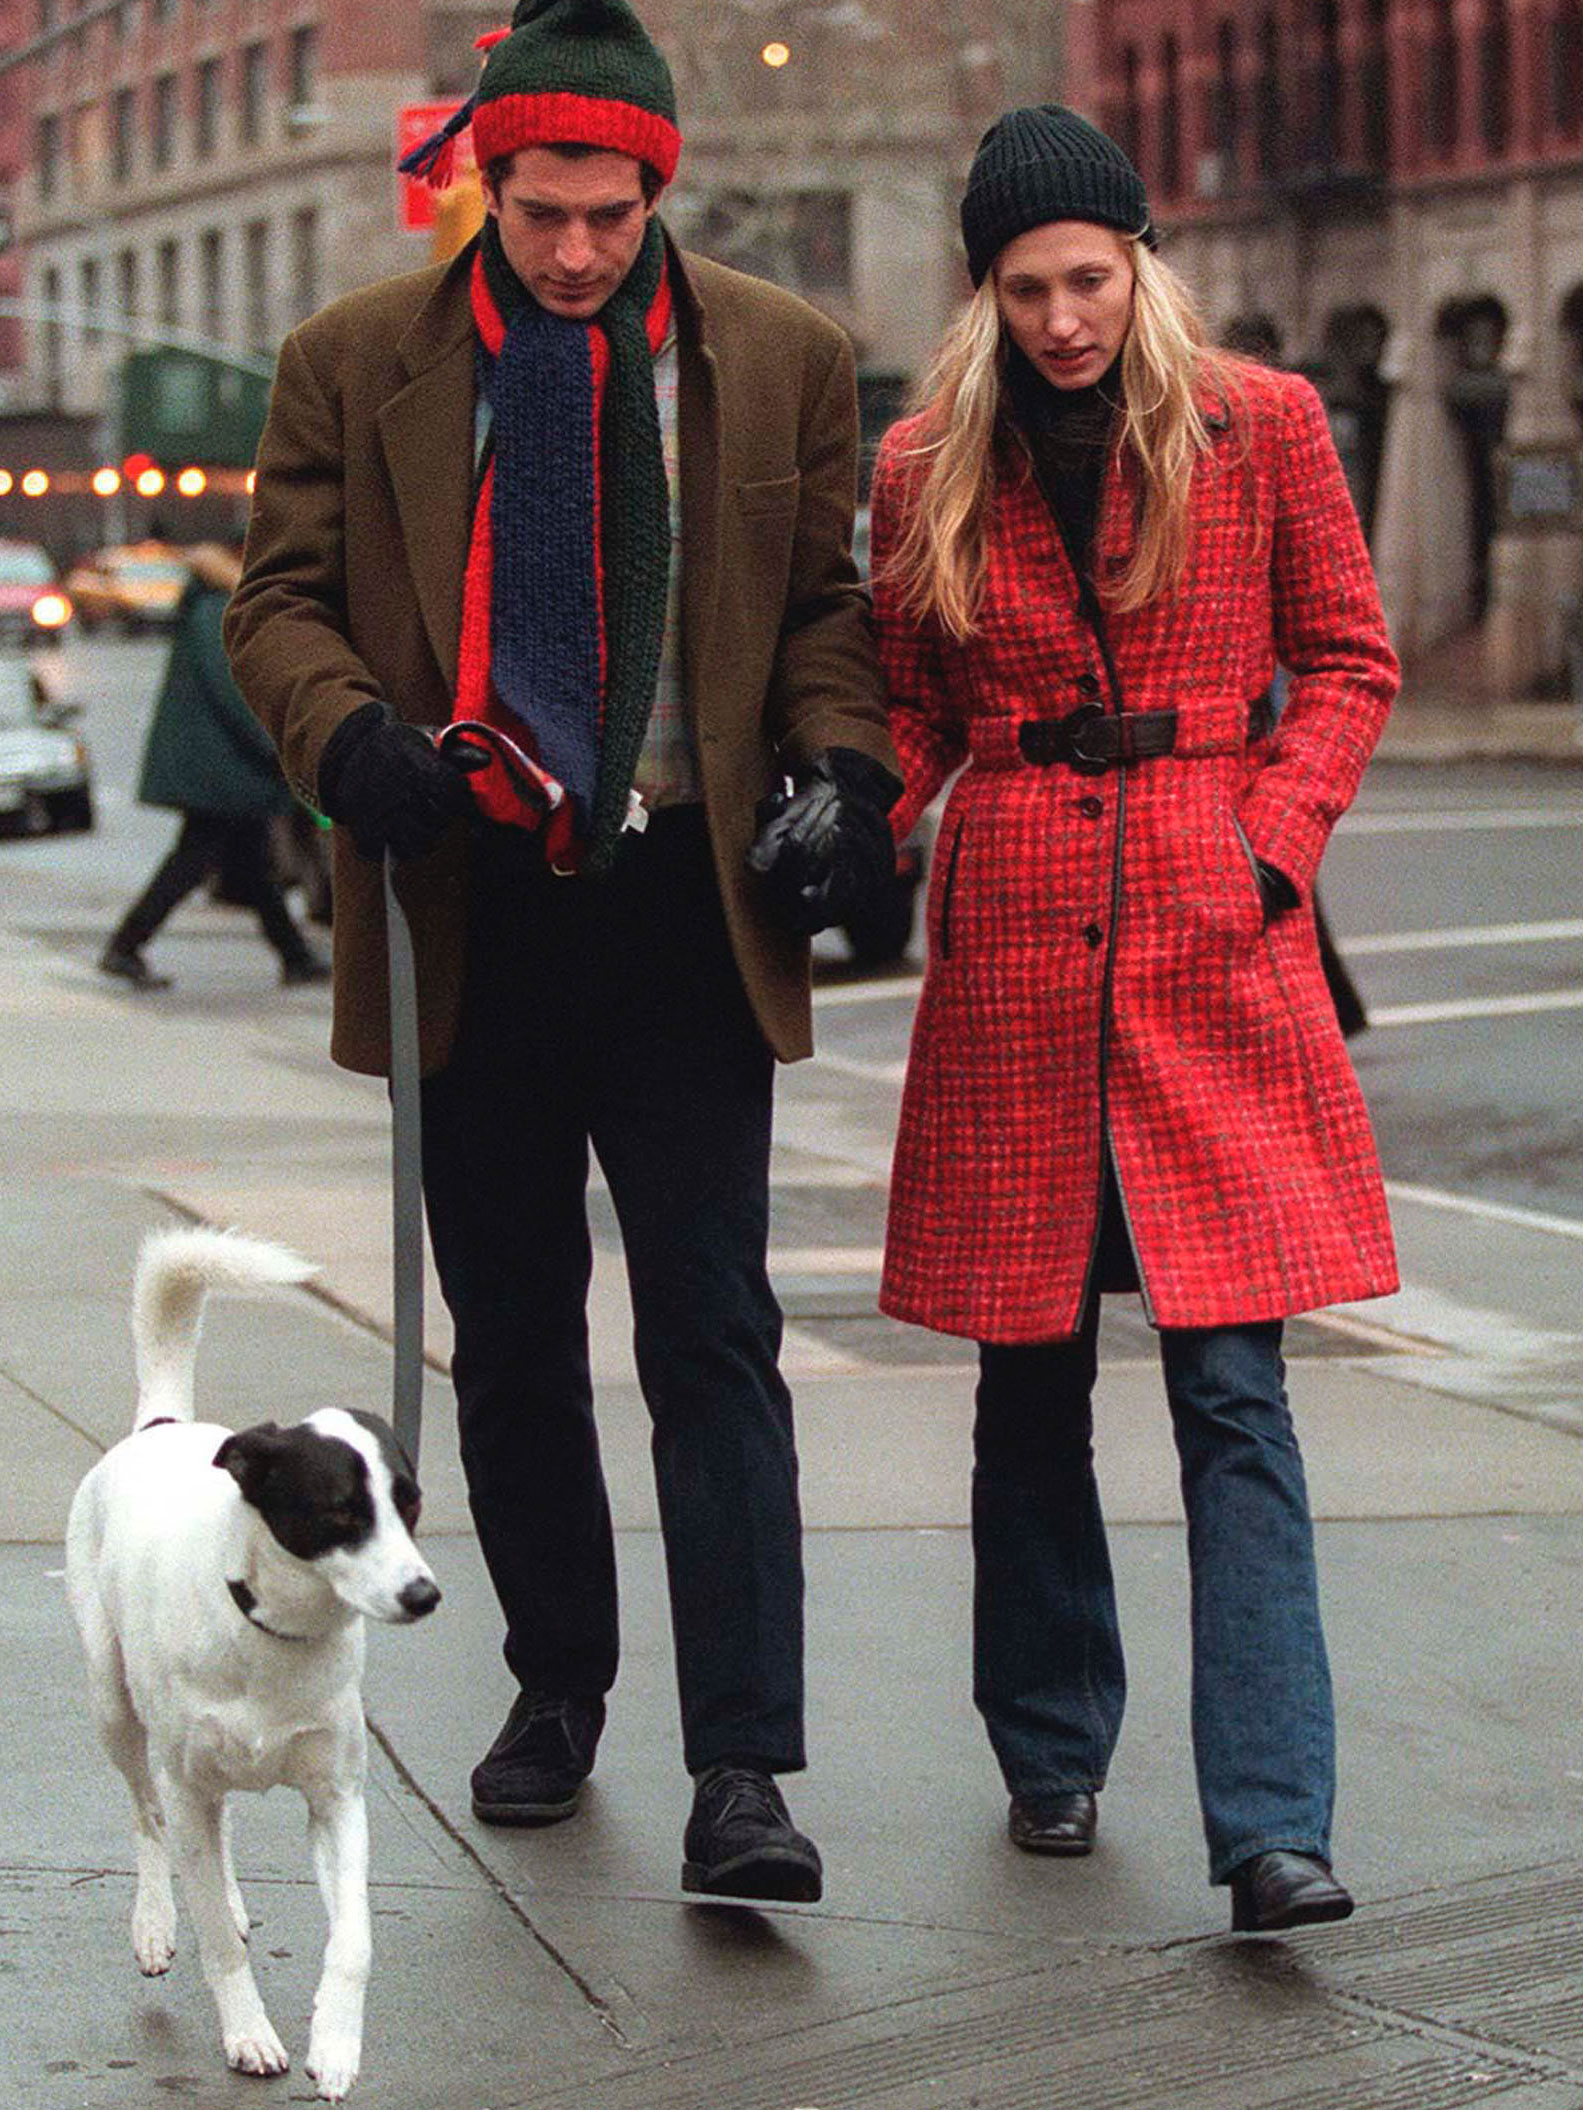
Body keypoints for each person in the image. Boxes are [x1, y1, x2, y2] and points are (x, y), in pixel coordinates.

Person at [225, 0, 899, 1903]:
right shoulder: (353, 361)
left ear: (654, 187)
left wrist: (843, 771)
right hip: (470, 916)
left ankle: (747, 1766)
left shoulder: (778, 356)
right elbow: (273, 603)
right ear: (483, 185)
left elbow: (828, 616)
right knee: (512, 1349)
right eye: (540, 213)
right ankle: (555, 1688)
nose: (578, 250)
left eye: (608, 213)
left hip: (690, 917)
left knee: (714, 1345)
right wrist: (347, 729)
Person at [868, 107, 1400, 1932]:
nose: (1063, 319)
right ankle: (1048, 1751)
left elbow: (1344, 660)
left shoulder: (1262, 426)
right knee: (1024, 1383)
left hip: (1203, 929)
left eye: (1088, 278)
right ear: (983, 292)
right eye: (1025, 289)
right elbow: (912, 706)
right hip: (1016, 943)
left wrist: (1268, 847)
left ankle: (1270, 1824)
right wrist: (852, 814)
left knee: (1231, 1392)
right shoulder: (926, 457)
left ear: (1138, 259)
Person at [98, 543, 329, 992]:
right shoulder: (216, 612)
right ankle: (126, 945)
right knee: (194, 858)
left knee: (252, 862)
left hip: (216, 763)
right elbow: (238, 693)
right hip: (219, 766)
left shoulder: (207, 607)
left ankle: (294, 955)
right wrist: (275, 747)